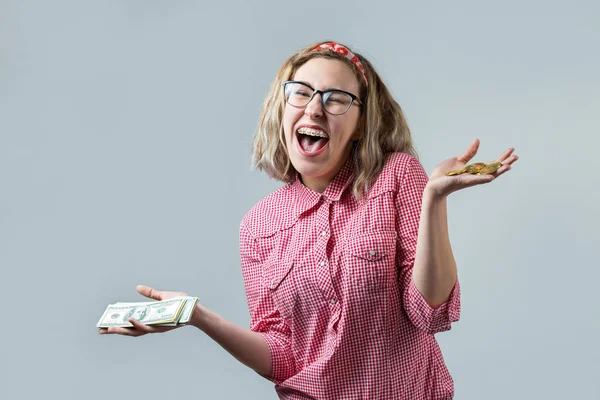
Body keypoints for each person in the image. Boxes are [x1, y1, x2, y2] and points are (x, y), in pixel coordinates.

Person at [99, 41, 518, 399]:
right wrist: (196, 316)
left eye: (336, 98)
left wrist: (434, 199)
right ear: (283, 109)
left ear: (359, 125)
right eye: (301, 92)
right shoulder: (259, 225)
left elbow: (431, 314)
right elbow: (283, 356)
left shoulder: (397, 176)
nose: (315, 108)